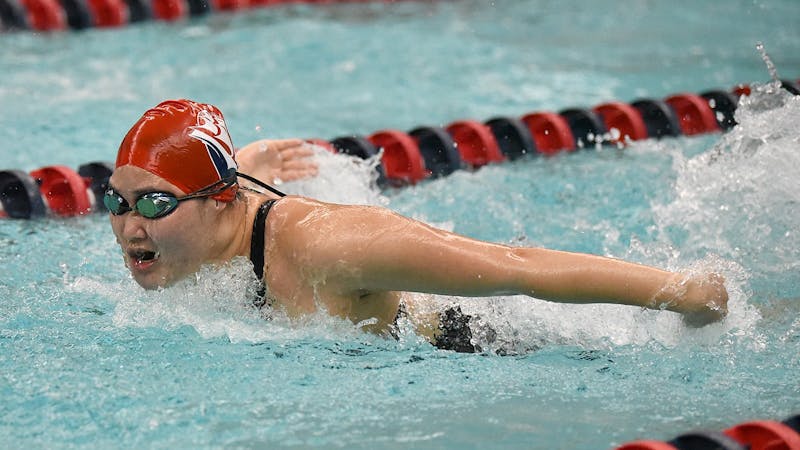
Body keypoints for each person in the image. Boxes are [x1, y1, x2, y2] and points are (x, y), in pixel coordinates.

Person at [105, 99, 729, 352]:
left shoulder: (329, 247)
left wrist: (681, 291)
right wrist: (246, 162)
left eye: (153, 205)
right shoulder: (188, 226)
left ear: (221, 201)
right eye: (115, 204)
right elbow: (198, 184)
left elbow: (519, 268)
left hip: (476, 342)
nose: (131, 226)